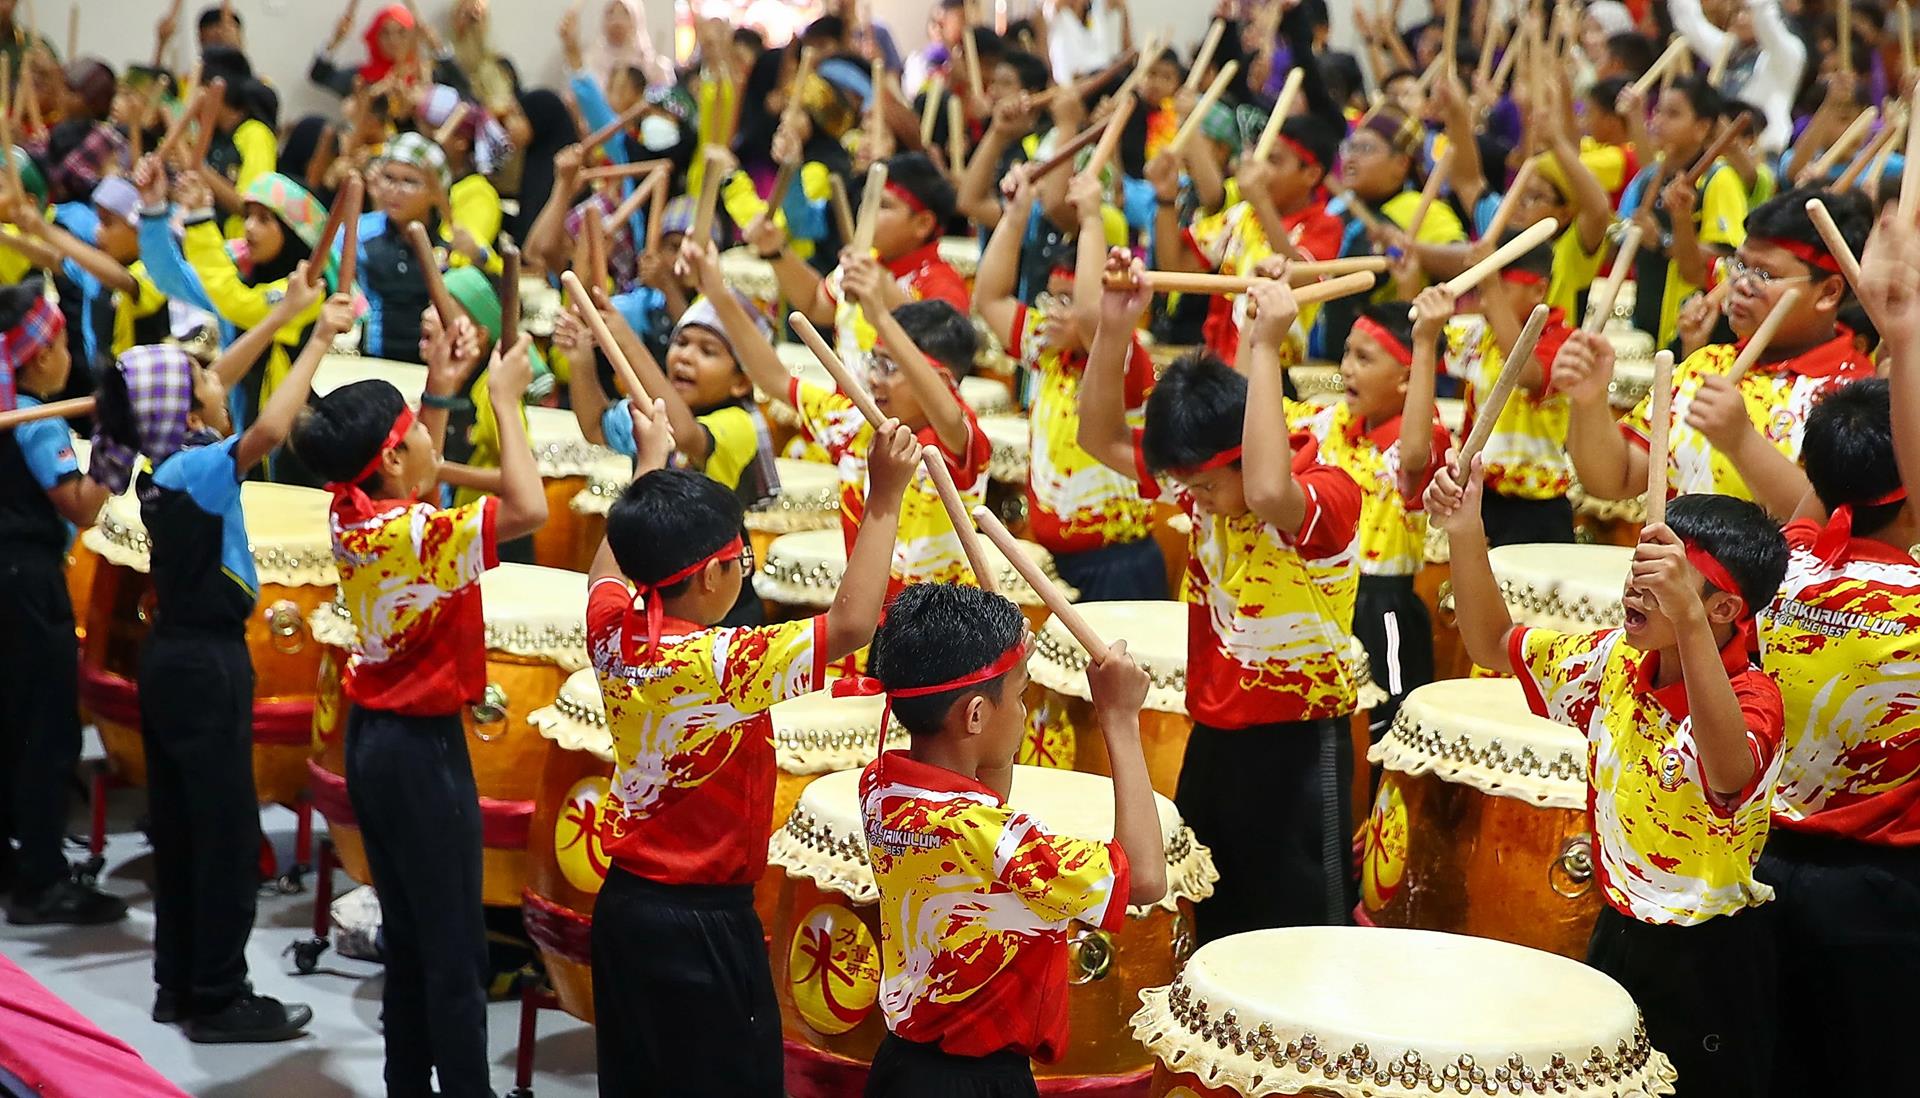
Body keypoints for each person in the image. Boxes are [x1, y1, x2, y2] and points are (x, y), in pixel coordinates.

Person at [585, 393, 916, 1096]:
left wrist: (651, 464)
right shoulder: (723, 664)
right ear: (711, 576)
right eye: (743, 557)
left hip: (625, 909)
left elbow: (606, 572)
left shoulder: (614, 627)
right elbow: (854, 624)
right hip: (702, 922)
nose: (746, 569)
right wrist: (885, 495)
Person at [1430, 465, 1789, 1098]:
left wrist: (1687, 622)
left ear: (1725, 609)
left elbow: (1728, 771)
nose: (1636, 591)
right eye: (1639, 573)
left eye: (1665, 581)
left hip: (1705, 958)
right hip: (1616, 929)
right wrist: (1467, 529)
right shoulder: (1613, 663)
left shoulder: (1753, 697)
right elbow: (1490, 643)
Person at [288, 321, 547, 1098]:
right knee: (456, 954)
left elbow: (413, 467)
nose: (428, 440)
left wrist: (439, 387)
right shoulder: (418, 534)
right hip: (422, 756)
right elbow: (529, 507)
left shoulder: (353, 510)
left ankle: (408, 1086)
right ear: (394, 458)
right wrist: (504, 402)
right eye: (413, 430)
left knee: (410, 938)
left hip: (375, 743)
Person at [88, 274, 343, 1042]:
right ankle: (222, 995)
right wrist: (321, 342)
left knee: (183, 828)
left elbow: (222, 382)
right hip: (206, 668)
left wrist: (289, 311)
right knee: (227, 836)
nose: (216, 376)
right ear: (186, 407)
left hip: (172, 662)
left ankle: (180, 985)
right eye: (202, 376)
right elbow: (267, 429)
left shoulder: (165, 460)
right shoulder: (198, 468)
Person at [1078, 251, 1363, 941]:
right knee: (1207, 932)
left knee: (1295, 945)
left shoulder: (1326, 491)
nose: (1192, 500)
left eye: (1202, 485)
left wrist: (1266, 341)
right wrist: (1115, 330)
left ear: (1236, 448)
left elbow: (1265, 489)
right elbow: (1098, 437)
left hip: (1298, 753)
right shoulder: (1213, 492)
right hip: (1215, 743)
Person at [859, 582, 1167, 1096]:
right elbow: (1146, 877)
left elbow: (985, 787)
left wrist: (1004, 680)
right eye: (1022, 697)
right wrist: (1119, 718)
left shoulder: (880, 786)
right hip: (979, 1084)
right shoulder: (999, 843)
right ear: (975, 715)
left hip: (901, 1069)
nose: (1025, 711)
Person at [1751, 212, 1920, 1093]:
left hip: (1756, 872)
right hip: (1883, 902)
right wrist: (1901, 333)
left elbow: (1832, 479)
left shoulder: (1776, 570)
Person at [692, 238, 992, 598]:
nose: (876, 378)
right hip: (874, 621)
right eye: (875, 362)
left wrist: (879, 314)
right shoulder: (854, 423)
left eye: (891, 365)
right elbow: (773, 379)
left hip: (943, 627)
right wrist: (718, 294)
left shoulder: (955, 440)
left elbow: (947, 412)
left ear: (942, 381)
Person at [1557, 188, 1875, 520]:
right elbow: (1615, 479)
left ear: (1828, 292)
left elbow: (1835, 525)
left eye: (1765, 274)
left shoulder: (1855, 394)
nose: (1741, 284)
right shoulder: (1707, 365)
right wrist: (1590, 400)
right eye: (1740, 266)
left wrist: (1741, 442)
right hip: (1678, 571)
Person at [976, 169, 1163, 601]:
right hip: (1053, 556)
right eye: (1053, 298)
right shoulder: (1046, 350)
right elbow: (989, 298)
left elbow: (1093, 317)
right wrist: (1016, 215)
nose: (1059, 313)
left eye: (1070, 299)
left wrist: (1093, 218)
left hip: (1118, 562)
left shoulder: (1124, 355)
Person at [0, 279, 120, 925]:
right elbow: (81, 504)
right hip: (23, 583)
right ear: (41, 356)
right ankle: (42, 879)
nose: (70, 354)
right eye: (64, 342)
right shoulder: (31, 421)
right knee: (45, 729)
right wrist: (116, 447)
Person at [1294, 294, 1449, 735]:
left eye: (1363, 357)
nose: (1346, 367)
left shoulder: (1420, 437)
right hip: (1326, 596)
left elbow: (1416, 453)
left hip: (1383, 606)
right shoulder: (1334, 422)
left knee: (1388, 721)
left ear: (1405, 378)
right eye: (1346, 352)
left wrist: (1425, 344)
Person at [759, 151, 970, 375]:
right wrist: (776, 250)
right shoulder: (867, 261)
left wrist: (887, 297)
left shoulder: (942, 284)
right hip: (846, 404)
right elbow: (816, 304)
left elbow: (943, 366)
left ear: (923, 224)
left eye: (884, 205)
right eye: (867, 200)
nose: (866, 212)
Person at [1443, 236, 1579, 547]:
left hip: (1536, 505)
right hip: (1481, 492)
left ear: (1539, 290)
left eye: (1502, 289)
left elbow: (1528, 376)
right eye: (1484, 288)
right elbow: (1417, 349)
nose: (1488, 299)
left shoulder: (1564, 339)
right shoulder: (1479, 332)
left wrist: (1489, 284)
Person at [1615, 76, 1747, 347]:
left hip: (1695, 332)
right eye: (1658, 110)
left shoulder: (1718, 181)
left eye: (1672, 114)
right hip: (1649, 326)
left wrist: (1663, 241)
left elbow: (1715, 267)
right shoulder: (1651, 176)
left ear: (1702, 127)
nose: (1659, 120)